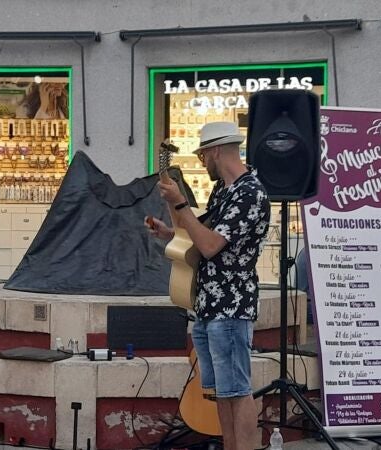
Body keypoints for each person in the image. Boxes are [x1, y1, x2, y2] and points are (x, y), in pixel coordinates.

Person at [145, 122, 271, 450]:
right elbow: (200, 236)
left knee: (238, 392)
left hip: (231, 304)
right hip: (208, 303)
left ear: (215, 151)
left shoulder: (249, 192)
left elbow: (212, 246)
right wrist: (171, 227)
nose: (202, 162)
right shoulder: (224, 190)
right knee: (221, 393)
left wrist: (181, 205)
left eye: (203, 155)